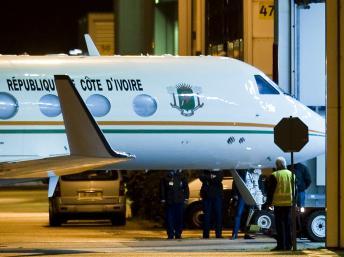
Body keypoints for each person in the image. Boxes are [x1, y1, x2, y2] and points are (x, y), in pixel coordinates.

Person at [267, 157, 293, 251]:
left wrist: (269, 203)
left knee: (280, 226)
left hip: (278, 204)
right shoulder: (291, 174)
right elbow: (296, 190)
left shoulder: (275, 175)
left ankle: (281, 245)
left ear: (277, 165)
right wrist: (296, 202)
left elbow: (271, 191)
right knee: (288, 225)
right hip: (289, 204)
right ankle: (289, 245)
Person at [231, 169, 264, 240]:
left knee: (252, 216)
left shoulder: (257, 172)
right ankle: (234, 234)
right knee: (238, 214)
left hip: (254, 196)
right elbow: (236, 182)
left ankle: (249, 234)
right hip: (242, 195)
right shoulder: (242, 171)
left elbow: (260, 184)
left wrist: (262, 195)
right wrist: (235, 194)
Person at [160, 170, 189, 239]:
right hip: (170, 201)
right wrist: (163, 198)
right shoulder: (166, 176)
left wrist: (186, 198)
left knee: (179, 218)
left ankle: (178, 234)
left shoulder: (182, 175)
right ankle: (170, 234)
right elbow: (162, 188)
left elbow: (186, 187)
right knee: (170, 219)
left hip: (179, 201)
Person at [199, 170, 224, 239]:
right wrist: (211, 177)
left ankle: (218, 234)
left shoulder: (219, 169)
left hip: (217, 195)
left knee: (218, 215)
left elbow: (219, 179)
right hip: (207, 195)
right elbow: (201, 177)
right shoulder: (205, 168)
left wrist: (207, 178)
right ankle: (206, 234)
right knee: (207, 215)